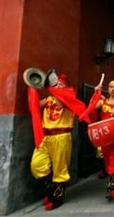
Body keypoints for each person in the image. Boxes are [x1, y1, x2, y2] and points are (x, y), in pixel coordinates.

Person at [30, 73, 89, 210]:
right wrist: (34, 88)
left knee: (60, 169)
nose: (58, 86)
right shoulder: (49, 98)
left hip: (61, 137)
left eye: (61, 84)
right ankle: (50, 189)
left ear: (67, 87)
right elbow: (34, 106)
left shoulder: (69, 99)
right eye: (57, 84)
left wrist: (53, 89)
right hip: (45, 137)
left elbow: (61, 103)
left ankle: (57, 197)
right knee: (37, 164)